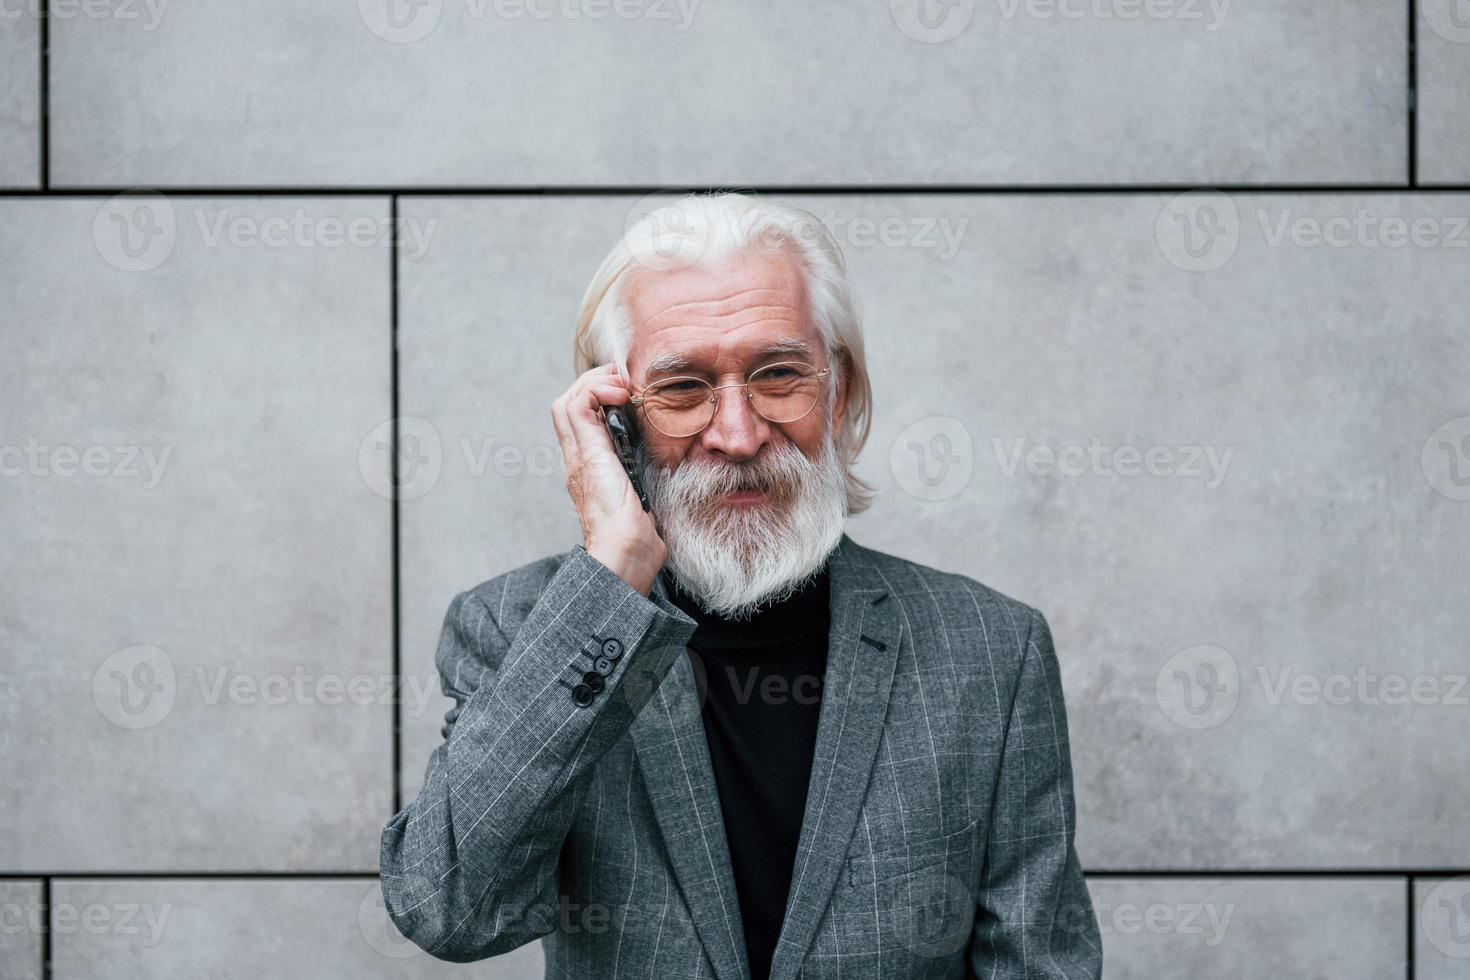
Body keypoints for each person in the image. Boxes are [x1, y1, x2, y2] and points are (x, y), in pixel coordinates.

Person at [379, 192, 1102, 979]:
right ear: (615, 418)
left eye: (779, 374)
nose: (738, 433)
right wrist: (614, 572)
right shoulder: (519, 629)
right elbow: (450, 908)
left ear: (841, 393)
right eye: (683, 388)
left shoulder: (993, 650)